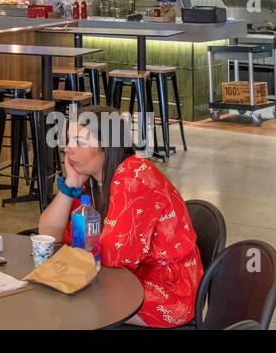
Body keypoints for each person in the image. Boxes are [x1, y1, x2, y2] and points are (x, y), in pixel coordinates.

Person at [37, 106, 203, 328]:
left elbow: (114, 257)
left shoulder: (135, 175)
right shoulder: (92, 181)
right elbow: (48, 235)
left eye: (80, 142)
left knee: (71, 308)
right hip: (123, 282)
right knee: (58, 301)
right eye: (68, 140)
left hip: (166, 290)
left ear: (107, 147)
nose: (68, 149)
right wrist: (70, 185)